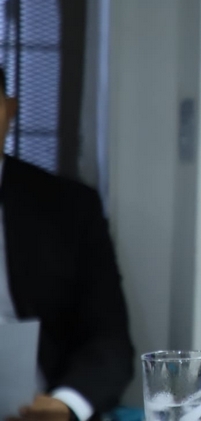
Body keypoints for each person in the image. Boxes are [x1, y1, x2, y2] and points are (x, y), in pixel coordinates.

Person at [0, 74, 134, 420]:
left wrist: (67, 404)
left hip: (34, 408)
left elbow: (109, 340)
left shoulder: (69, 208)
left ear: (10, 109)